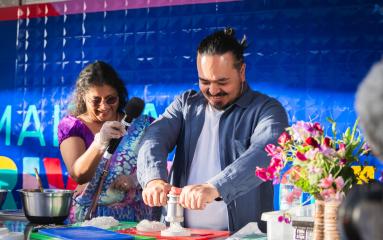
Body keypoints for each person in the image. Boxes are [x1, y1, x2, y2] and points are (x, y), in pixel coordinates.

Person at [137, 28, 289, 232]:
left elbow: (266, 151)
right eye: (205, 81)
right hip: (180, 233)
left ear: (242, 72)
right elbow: (154, 137)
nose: (213, 90)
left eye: (222, 82)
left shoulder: (267, 110)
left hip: (241, 234)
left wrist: (215, 187)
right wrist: (153, 178)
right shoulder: (186, 105)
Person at [58, 60, 154, 223]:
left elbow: (158, 165)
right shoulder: (73, 126)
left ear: (120, 96)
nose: (103, 107)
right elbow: (78, 175)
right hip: (90, 221)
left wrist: (134, 179)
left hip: (135, 219)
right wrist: (99, 143)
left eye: (111, 99)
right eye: (96, 100)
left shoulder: (141, 125)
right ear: (83, 97)